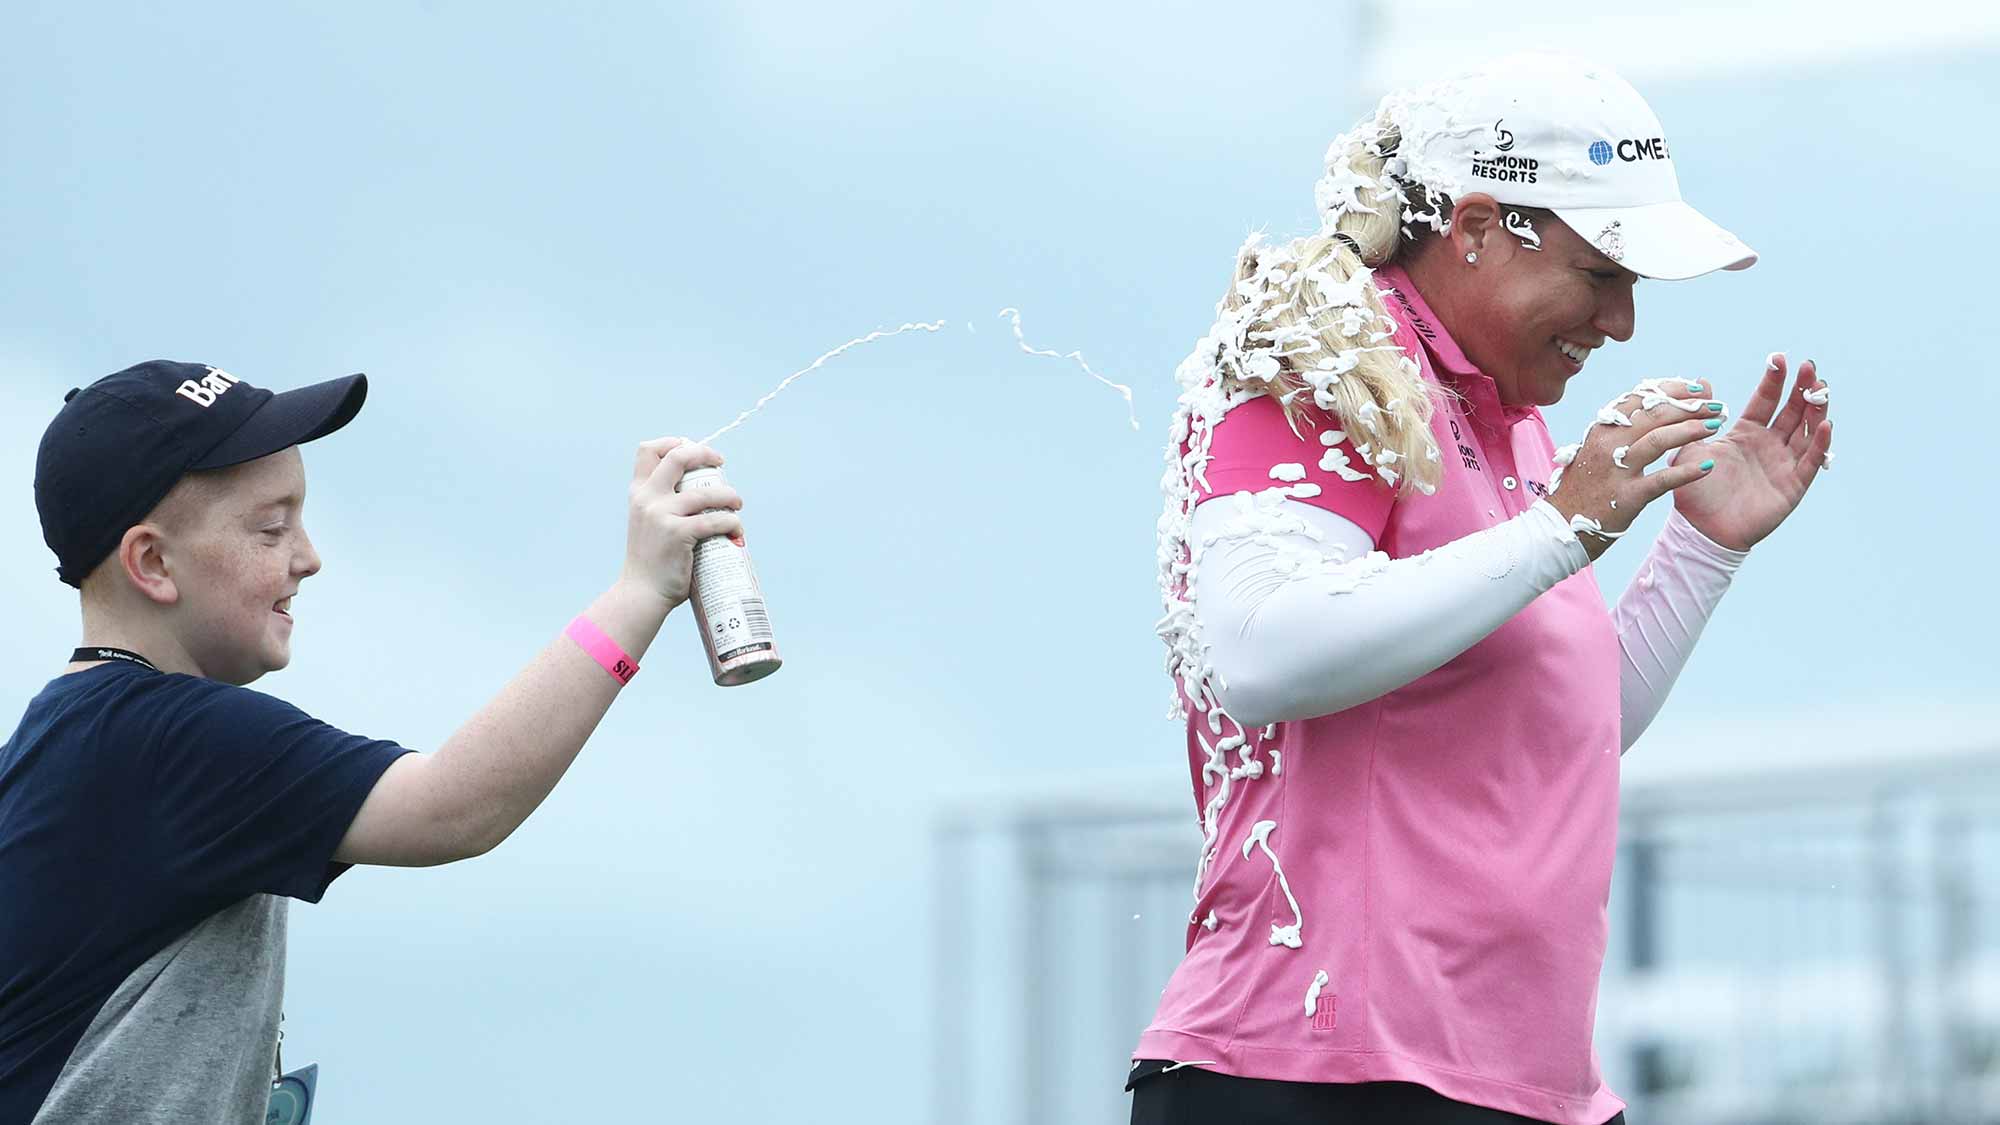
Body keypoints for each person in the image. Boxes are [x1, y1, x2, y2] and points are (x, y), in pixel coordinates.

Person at [1131, 53, 1832, 1125]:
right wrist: (1560, 530)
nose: (1622, 324)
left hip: (1511, 1088)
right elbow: (1258, 652)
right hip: (1323, 1080)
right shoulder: (1320, 364)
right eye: (1600, 273)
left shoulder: (1503, 417)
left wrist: (1701, 551)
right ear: (1470, 228)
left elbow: (1550, 731)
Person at [0, 361, 744, 1123]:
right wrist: (638, 593)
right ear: (153, 562)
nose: (308, 555)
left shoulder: (71, 746)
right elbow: (452, 806)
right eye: (270, 526)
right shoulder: (169, 740)